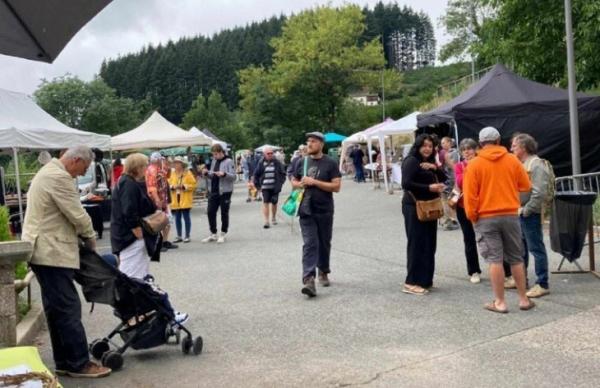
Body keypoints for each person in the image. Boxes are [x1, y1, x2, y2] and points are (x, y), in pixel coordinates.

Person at [22, 146, 111, 378]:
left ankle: (65, 361)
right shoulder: (58, 176)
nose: (80, 175)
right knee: (69, 308)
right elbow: (77, 213)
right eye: (82, 169)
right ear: (75, 160)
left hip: (43, 250)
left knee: (56, 308)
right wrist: (91, 238)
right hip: (51, 251)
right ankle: (79, 363)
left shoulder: (48, 173)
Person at [463, 127, 536, 313]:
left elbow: (470, 197)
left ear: (480, 144)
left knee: (495, 260)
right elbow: (526, 185)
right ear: (498, 141)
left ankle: (500, 302)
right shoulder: (512, 160)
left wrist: (472, 217)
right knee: (516, 258)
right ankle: (523, 299)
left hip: (486, 217)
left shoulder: (475, 164)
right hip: (510, 214)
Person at [111, 153, 189, 324]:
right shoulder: (129, 185)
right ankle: (161, 314)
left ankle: (145, 313)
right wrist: (138, 231)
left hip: (127, 238)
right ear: (138, 167)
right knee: (135, 279)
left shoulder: (125, 182)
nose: (146, 169)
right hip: (131, 239)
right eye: (144, 166)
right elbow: (129, 211)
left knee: (136, 277)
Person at [291, 132, 342, 297]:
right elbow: (293, 180)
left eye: (313, 141)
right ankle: (309, 279)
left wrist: (315, 182)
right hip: (306, 209)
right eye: (308, 141)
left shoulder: (330, 163)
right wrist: (299, 184)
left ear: (321, 144)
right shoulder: (301, 161)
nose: (309, 144)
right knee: (310, 243)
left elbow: (336, 186)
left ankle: (324, 271)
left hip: (325, 209)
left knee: (324, 242)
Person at [401, 134, 447, 295]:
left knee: (429, 243)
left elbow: (444, 177)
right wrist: (429, 188)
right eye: (424, 145)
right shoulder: (411, 161)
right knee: (417, 244)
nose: (427, 148)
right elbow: (406, 183)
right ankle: (411, 282)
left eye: (430, 146)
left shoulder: (430, 161)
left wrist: (435, 168)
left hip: (430, 207)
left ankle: (425, 280)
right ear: (418, 146)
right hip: (414, 206)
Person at [509, 133, 552, 298]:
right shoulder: (523, 163)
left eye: (514, 146)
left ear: (524, 147)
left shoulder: (536, 165)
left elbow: (539, 193)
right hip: (521, 212)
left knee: (536, 248)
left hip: (529, 214)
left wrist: (526, 210)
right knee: (522, 249)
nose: (511, 148)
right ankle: (521, 280)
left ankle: (542, 283)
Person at [454, 138, 482, 283]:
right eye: (464, 149)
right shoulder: (459, 166)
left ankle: (504, 270)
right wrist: (470, 168)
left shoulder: (483, 163)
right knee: (469, 239)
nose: (467, 152)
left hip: (483, 206)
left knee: (490, 239)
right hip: (463, 206)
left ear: (476, 149)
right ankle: (474, 270)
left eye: (469, 148)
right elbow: (460, 182)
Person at [202, 143, 236, 243]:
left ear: (221, 152)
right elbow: (212, 176)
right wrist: (206, 174)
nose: (214, 156)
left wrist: (224, 174)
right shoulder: (213, 161)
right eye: (213, 154)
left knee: (224, 213)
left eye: (216, 154)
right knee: (210, 212)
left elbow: (234, 177)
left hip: (225, 191)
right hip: (213, 190)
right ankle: (213, 233)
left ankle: (223, 233)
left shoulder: (229, 161)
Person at [146, 152, 178, 252]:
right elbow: (152, 187)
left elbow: (167, 176)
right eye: (161, 159)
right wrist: (156, 199)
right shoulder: (152, 170)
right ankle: (158, 243)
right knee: (159, 223)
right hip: (157, 200)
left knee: (167, 221)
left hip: (163, 199)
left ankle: (164, 241)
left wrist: (166, 165)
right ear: (157, 159)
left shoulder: (160, 169)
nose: (162, 161)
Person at [252, 146, 287, 228]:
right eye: (268, 153)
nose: (270, 155)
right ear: (264, 154)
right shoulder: (261, 163)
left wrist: (281, 183)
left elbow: (283, 173)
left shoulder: (277, 162)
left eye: (272, 153)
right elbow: (256, 175)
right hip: (265, 187)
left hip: (275, 187)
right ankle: (266, 221)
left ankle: (274, 218)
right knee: (266, 203)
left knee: (274, 203)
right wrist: (258, 186)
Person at [168, 156, 197, 243]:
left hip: (185, 198)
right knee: (177, 218)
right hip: (175, 198)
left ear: (182, 164)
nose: (176, 164)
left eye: (178, 163)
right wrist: (173, 187)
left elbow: (193, 185)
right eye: (175, 163)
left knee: (186, 217)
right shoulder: (172, 173)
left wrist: (184, 186)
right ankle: (179, 236)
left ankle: (187, 236)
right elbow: (167, 184)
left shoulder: (187, 173)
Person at [440, 137, 460, 230]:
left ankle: (452, 220)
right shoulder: (443, 153)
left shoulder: (454, 153)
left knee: (450, 199)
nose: (442, 145)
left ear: (449, 143)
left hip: (451, 179)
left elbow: (453, 166)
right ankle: (450, 219)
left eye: (444, 143)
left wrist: (445, 161)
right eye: (441, 143)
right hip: (447, 179)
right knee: (447, 199)